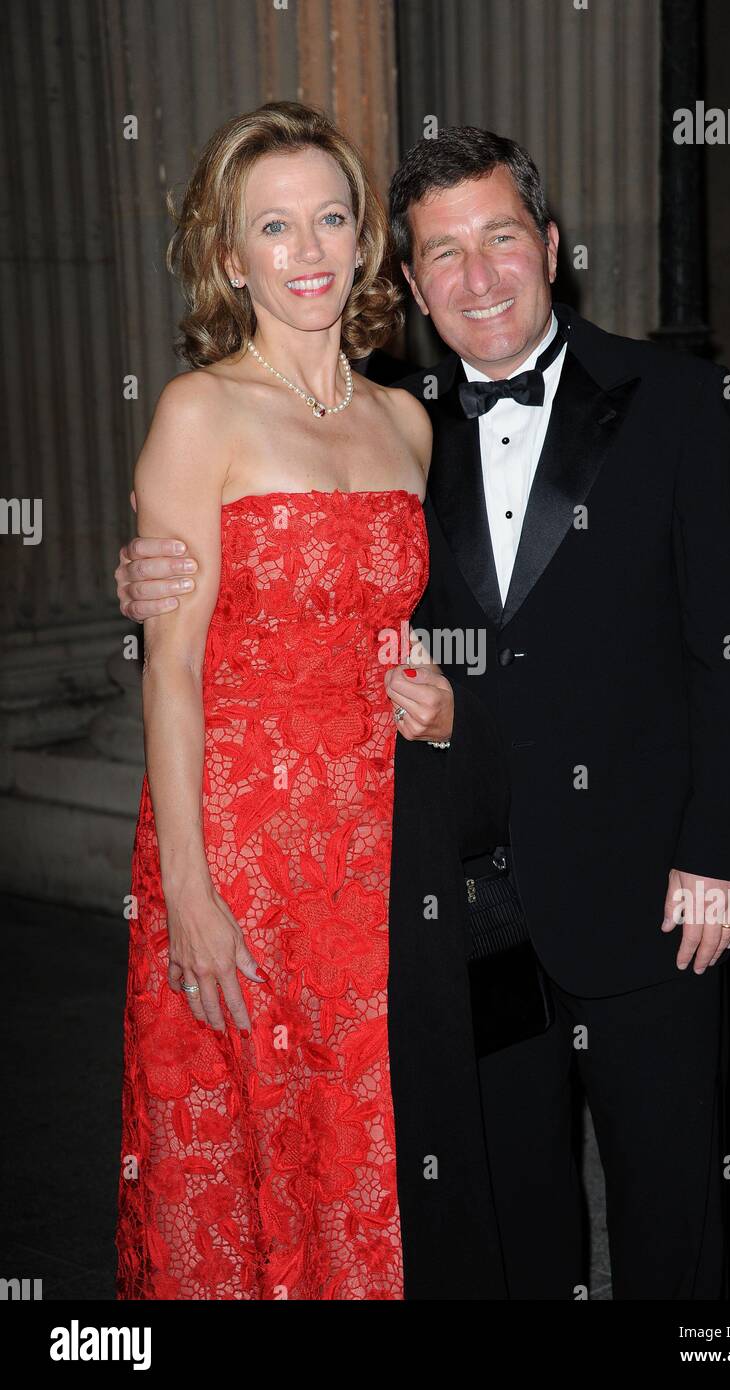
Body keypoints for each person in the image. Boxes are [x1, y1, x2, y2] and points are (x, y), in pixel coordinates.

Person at [117, 125, 730, 1300]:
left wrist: (721, 855)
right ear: (410, 280)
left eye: (501, 241)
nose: (477, 278)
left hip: (645, 887)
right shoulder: (410, 415)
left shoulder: (667, 401)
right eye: (445, 255)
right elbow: (235, 617)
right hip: (447, 893)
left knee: (670, 1207)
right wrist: (148, 586)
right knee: (492, 1208)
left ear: (552, 248)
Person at [114, 102, 508, 1302]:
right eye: (273, 227)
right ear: (231, 258)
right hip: (235, 844)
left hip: (377, 847)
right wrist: (187, 888)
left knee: (363, 1148)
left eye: (331, 217)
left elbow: (431, 617)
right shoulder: (200, 411)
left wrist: (439, 680)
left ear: (365, 239)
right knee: (233, 1164)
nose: (308, 250)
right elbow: (170, 669)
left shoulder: (406, 421)